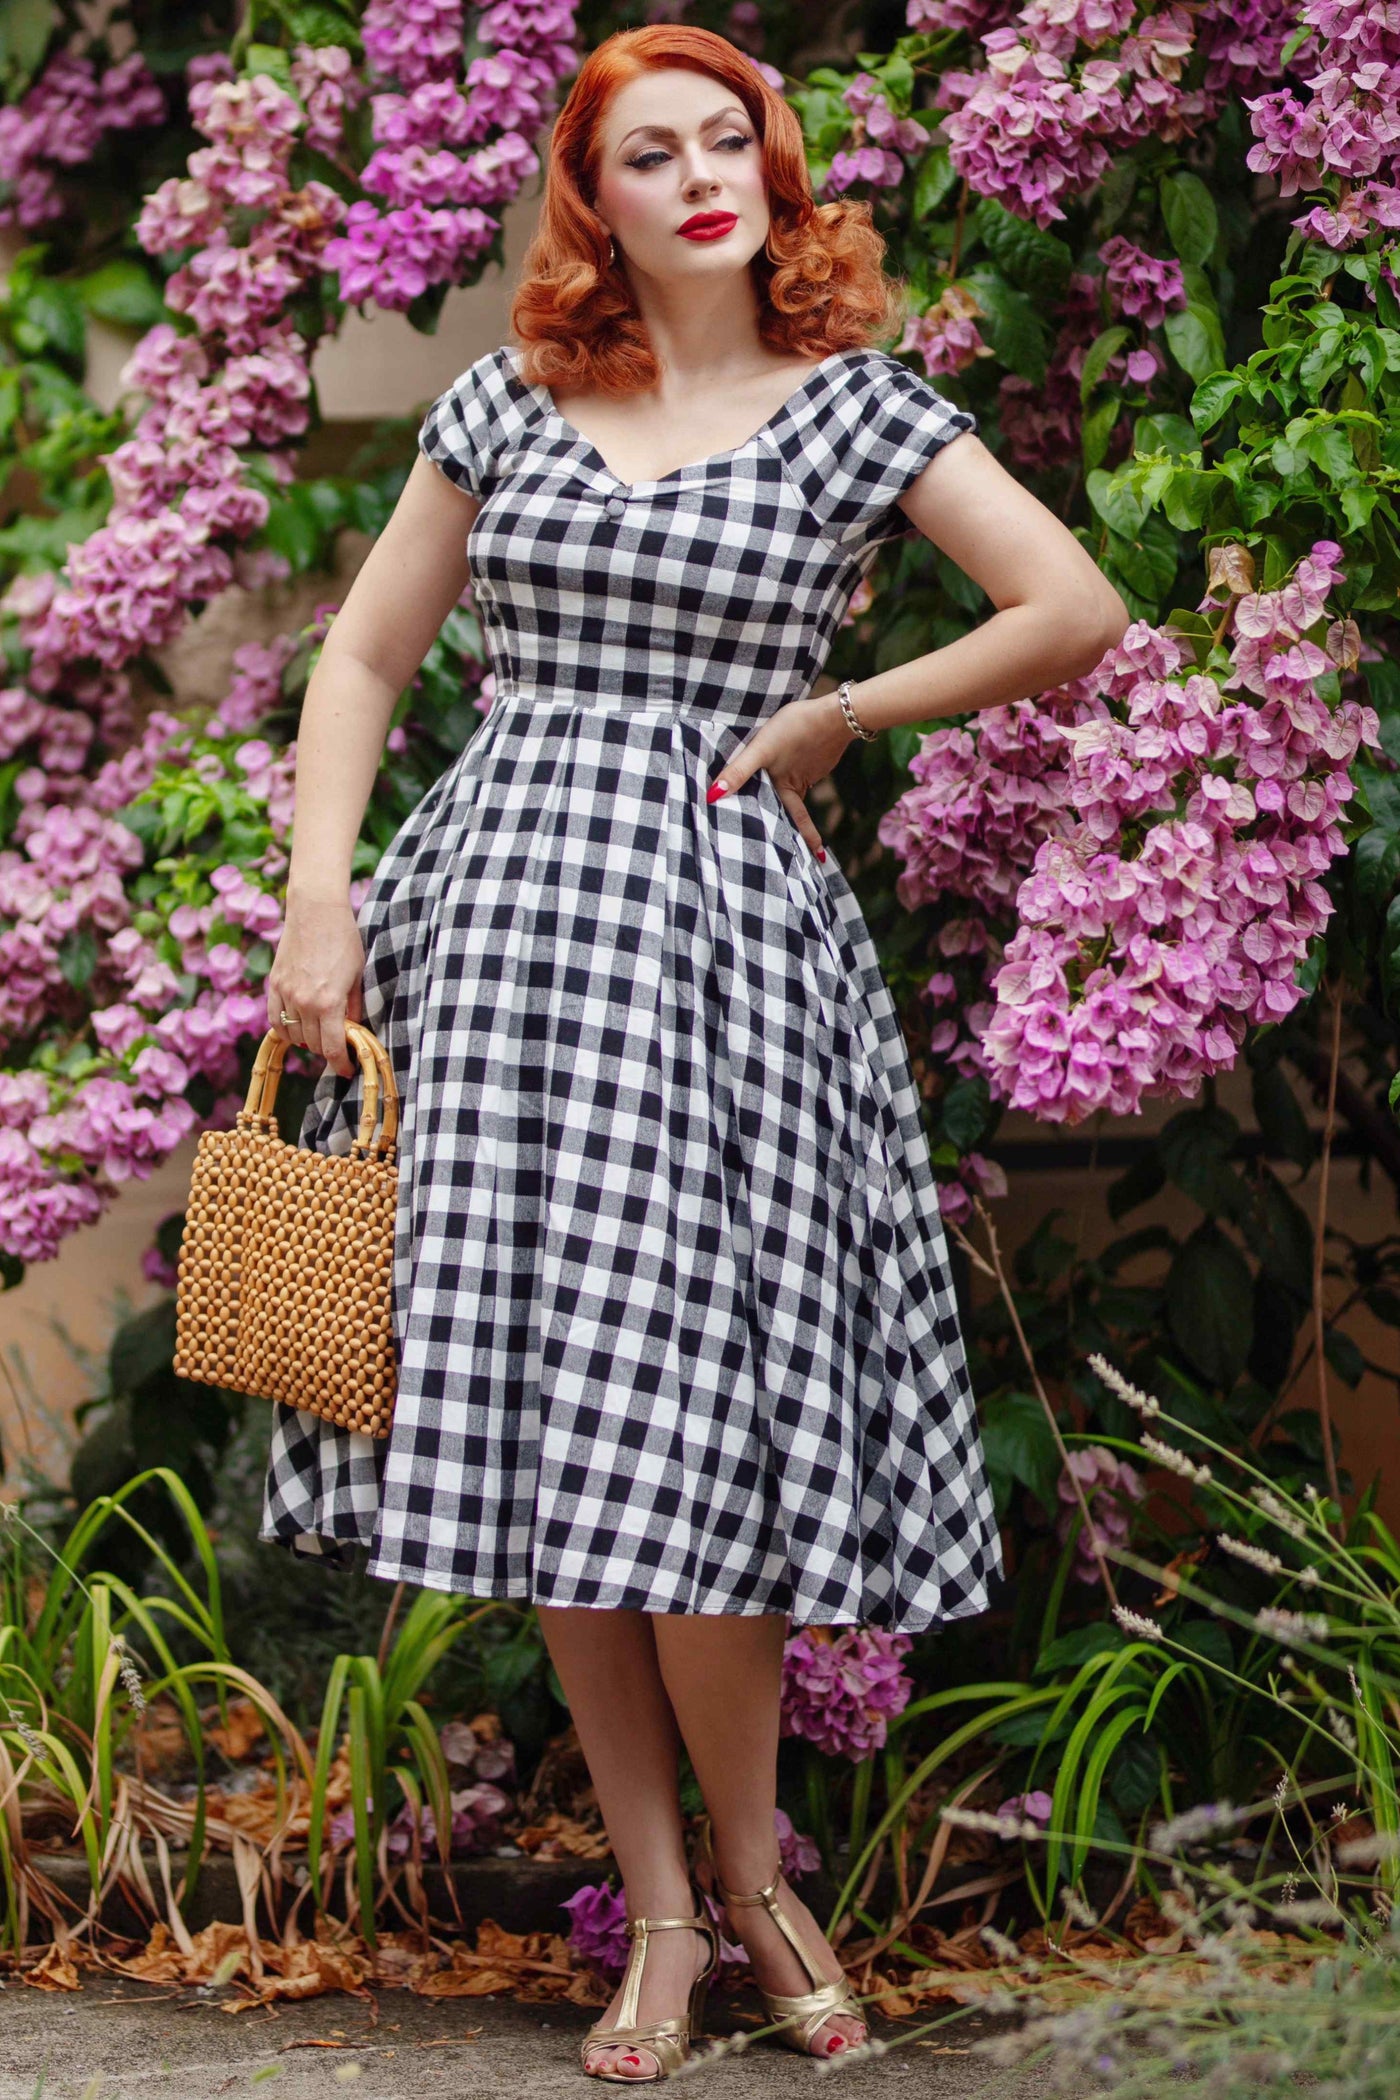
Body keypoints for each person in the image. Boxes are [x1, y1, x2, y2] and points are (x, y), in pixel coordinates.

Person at [258, 22, 1129, 2084]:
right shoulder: (513, 392)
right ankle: (660, 1909)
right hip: (498, 948)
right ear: (597, 201)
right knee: (568, 1433)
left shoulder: (853, 416)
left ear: (771, 168)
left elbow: (1069, 602)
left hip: (721, 963)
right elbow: (369, 650)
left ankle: (755, 1879)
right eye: (649, 153)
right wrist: (318, 899)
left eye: (727, 140)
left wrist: (844, 716)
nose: (700, 176)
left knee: (691, 1438)